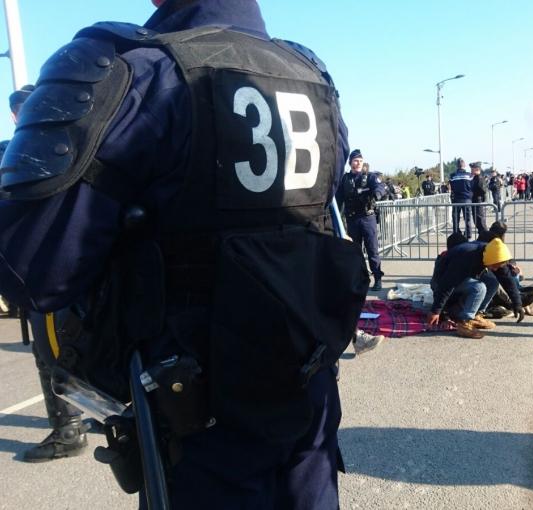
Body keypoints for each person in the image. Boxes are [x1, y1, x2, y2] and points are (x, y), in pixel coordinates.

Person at [0, 1, 369, 507]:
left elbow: (32, 270)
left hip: (198, 425)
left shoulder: (128, 67)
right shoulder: (309, 74)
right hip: (306, 396)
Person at [2, 85, 91, 463]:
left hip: (49, 268)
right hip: (75, 264)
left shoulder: (26, 151)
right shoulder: (75, 138)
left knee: (54, 352)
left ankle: (69, 428)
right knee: (69, 349)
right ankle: (82, 417)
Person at [428, 238, 523, 339]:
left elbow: (507, 280)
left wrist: (517, 304)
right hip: (441, 281)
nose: (496, 269)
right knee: (479, 287)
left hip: (461, 277)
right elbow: (446, 284)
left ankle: (476, 315)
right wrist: (436, 311)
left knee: (493, 282)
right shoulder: (466, 256)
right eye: (494, 266)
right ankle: (464, 323)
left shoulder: (494, 255)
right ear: (489, 258)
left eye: (498, 266)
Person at [338, 149, 387, 291]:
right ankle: (360, 278)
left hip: (367, 219)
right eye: (355, 160)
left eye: (360, 160)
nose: (358, 163)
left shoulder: (370, 177)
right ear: (350, 162)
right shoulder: (345, 179)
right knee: (355, 251)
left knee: (372, 250)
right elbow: (338, 200)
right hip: (352, 220)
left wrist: (377, 194)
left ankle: (377, 279)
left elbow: (381, 186)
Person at [450, 158, 473, 238]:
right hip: (467, 199)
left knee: (456, 218)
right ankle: (468, 233)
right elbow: (471, 187)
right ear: (464, 165)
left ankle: (456, 233)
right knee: (467, 218)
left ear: (457, 166)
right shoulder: (469, 175)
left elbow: (452, 187)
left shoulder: (453, 176)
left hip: (456, 199)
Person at [470, 162, 489, 235]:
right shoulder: (475, 178)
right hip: (475, 200)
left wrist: (477, 195)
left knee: (480, 220)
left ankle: (485, 236)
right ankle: (482, 235)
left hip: (478, 200)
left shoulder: (480, 178)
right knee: (477, 221)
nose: (471, 170)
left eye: (472, 169)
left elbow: (483, 190)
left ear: (477, 169)